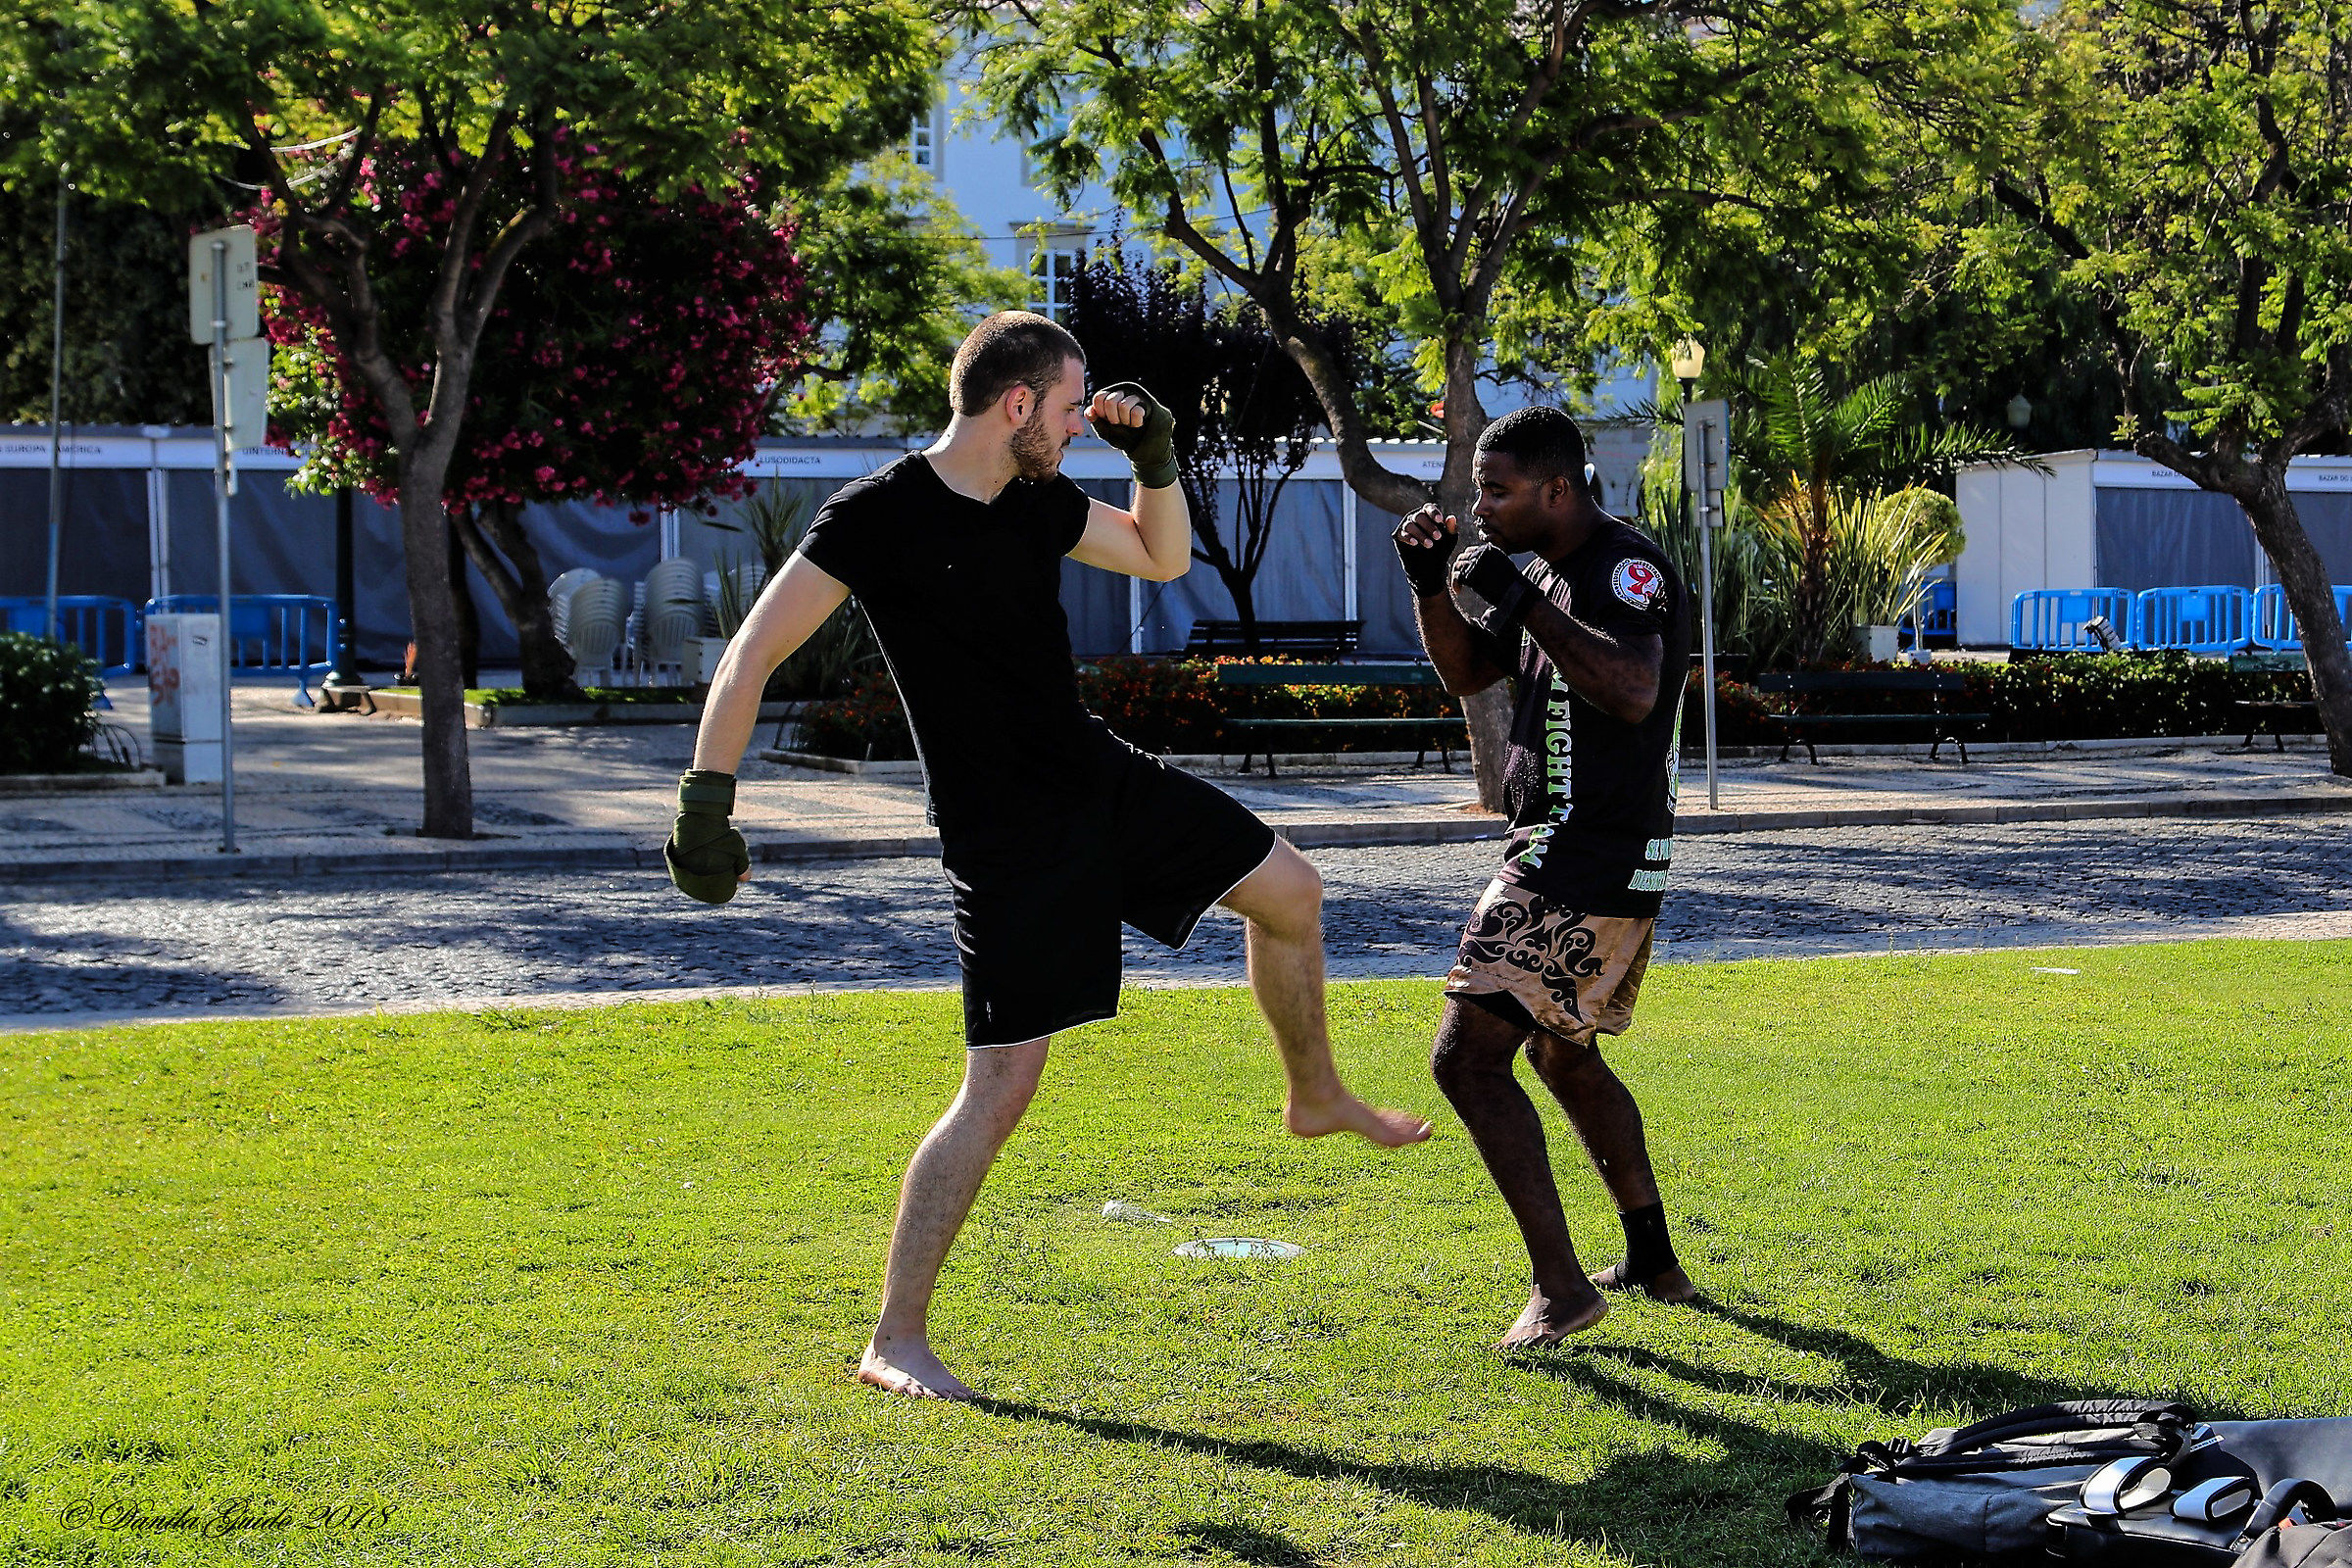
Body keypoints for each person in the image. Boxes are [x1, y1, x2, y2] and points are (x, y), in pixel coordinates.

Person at [669, 311, 1431, 1400]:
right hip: (1004, 832)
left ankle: (1315, 1094)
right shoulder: (875, 514)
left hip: (1096, 776)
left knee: (1292, 892)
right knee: (1000, 1087)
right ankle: (895, 1337)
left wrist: (1156, 459)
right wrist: (706, 806)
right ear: (1017, 403)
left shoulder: (1039, 498)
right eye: (1072, 408)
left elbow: (1162, 556)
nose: (1081, 425)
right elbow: (750, 654)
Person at [1393, 404, 1697, 1348]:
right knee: (1562, 1054)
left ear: (1557, 489)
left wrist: (1524, 600)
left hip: (1583, 850)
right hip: (1577, 848)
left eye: (1498, 491)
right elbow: (1467, 674)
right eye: (1478, 490)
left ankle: (1561, 1289)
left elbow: (1636, 690)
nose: (1480, 508)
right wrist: (1430, 586)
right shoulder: (1542, 573)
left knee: (1466, 1058)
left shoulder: (1623, 567)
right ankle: (1652, 1259)